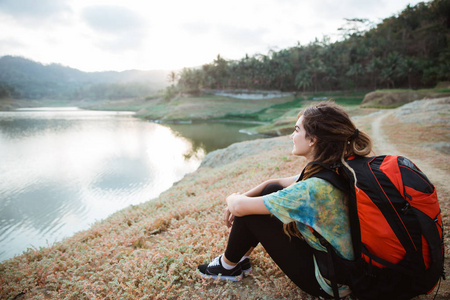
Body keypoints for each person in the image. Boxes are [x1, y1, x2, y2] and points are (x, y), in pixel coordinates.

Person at [197, 101, 372, 298]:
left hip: (332, 283)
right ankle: (236, 261)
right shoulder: (338, 166)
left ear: (313, 139)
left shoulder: (313, 189)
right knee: (269, 191)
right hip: (346, 266)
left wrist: (233, 198)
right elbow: (277, 182)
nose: (292, 136)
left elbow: (238, 208)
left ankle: (227, 266)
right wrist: (245, 196)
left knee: (251, 213)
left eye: (297, 130)